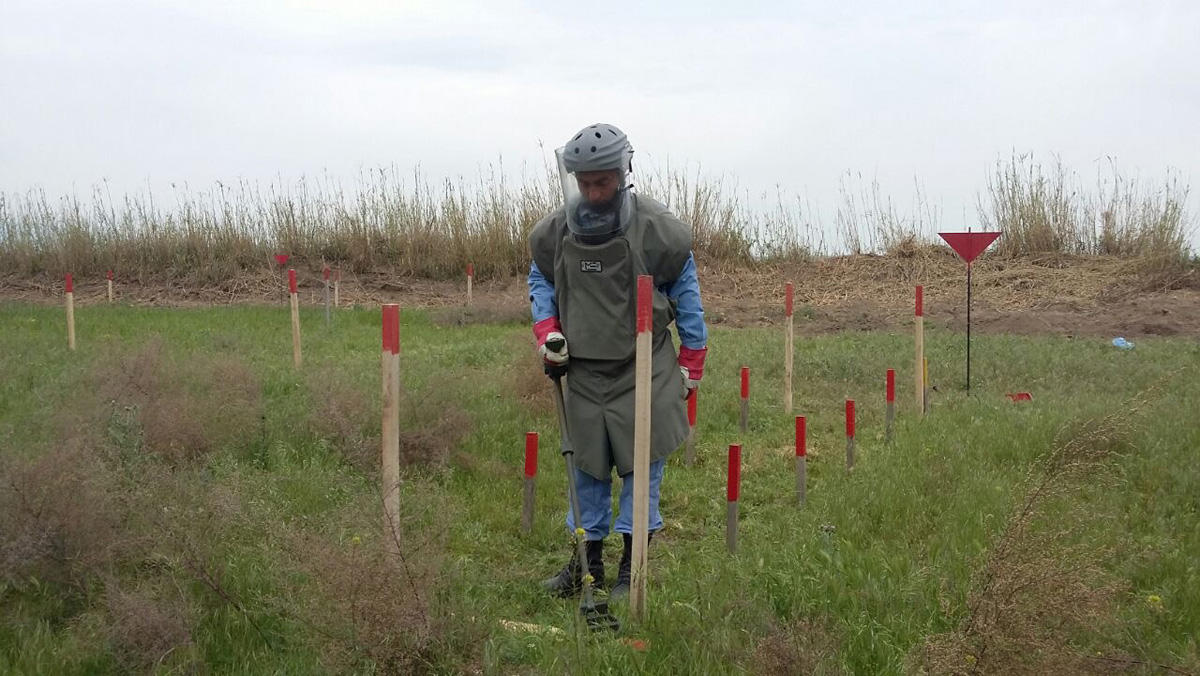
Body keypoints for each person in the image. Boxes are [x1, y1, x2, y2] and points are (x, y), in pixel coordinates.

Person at [527, 123, 708, 600]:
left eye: (601, 182)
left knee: (640, 474)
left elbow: (687, 294)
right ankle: (585, 569)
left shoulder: (659, 231)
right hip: (583, 373)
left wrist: (693, 358)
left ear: (622, 173)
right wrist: (548, 331)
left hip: (642, 371)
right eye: (584, 182)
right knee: (585, 473)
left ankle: (633, 571)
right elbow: (541, 280)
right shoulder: (555, 232)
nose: (592, 192)